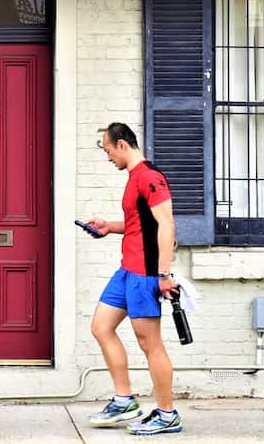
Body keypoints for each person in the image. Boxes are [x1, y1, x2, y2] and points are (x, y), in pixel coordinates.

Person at [83, 122, 182, 436]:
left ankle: (167, 415)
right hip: (127, 270)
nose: (109, 157)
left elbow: (166, 226)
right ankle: (124, 400)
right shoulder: (133, 178)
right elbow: (140, 224)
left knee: (150, 344)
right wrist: (109, 226)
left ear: (122, 144)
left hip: (144, 274)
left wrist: (164, 275)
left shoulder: (150, 178)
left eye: (109, 150)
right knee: (101, 326)